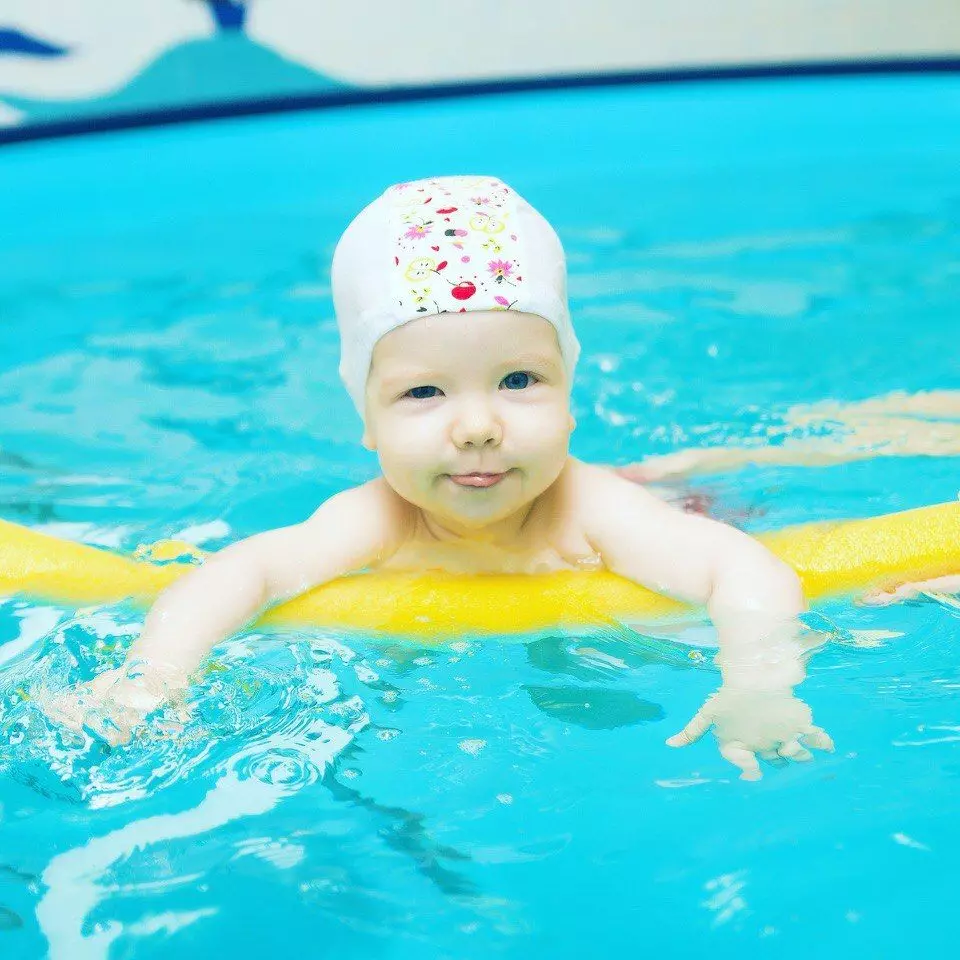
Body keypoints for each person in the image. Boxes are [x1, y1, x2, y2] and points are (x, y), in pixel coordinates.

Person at [48, 176, 833, 780]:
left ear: (571, 396)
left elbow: (742, 566)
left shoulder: (593, 510)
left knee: (715, 480)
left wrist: (760, 684)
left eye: (520, 380)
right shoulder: (377, 517)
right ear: (367, 422)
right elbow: (243, 570)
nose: (478, 426)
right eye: (424, 393)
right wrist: (153, 680)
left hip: (684, 506)